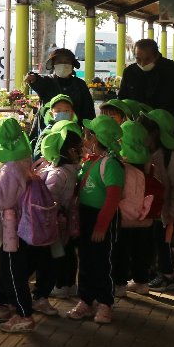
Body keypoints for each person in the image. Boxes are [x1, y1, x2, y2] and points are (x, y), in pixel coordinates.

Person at [0, 117, 42, 332]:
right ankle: (5, 301)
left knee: (13, 271)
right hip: (22, 226)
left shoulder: (10, 168)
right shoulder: (24, 160)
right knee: (11, 268)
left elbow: (3, 200)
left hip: (12, 230)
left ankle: (23, 314)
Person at [67, 116, 125, 324]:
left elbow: (113, 198)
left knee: (103, 261)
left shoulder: (111, 165)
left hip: (103, 218)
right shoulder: (90, 161)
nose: (85, 140)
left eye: (88, 136)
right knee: (85, 259)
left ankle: (105, 302)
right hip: (86, 216)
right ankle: (86, 300)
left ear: (96, 139)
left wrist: (101, 226)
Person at [33, 121, 83, 314]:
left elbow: (48, 199)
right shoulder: (73, 169)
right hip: (65, 221)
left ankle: (52, 289)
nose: (80, 151)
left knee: (51, 258)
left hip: (53, 223)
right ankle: (67, 284)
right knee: (66, 253)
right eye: (77, 148)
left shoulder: (58, 173)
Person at [141, 109, 174, 292]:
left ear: (155, 133)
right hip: (154, 212)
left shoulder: (172, 157)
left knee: (163, 244)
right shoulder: (149, 153)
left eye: (144, 130)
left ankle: (168, 276)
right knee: (155, 242)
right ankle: (157, 271)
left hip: (166, 214)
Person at [112, 121, 157, 298]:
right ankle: (142, 282)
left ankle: (119, 285)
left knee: (120, 252)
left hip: (123, 218)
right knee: (141, 251)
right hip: (145, 217)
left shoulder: (120, 162)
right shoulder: (149, 160)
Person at [119, 39, 174, 140]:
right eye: (138, 59)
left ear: (156, 55)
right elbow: (122, 99)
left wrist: (165, 125)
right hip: (138, 132)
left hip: (171, 132)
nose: (142, 64)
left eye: (147, 59)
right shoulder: (130, 72)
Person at [25, 48, 96, 124]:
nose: (63, 64)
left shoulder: (80, 84)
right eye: (59, 62)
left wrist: (88, 127)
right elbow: (38, 81)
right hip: (47, 128)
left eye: (66, 62)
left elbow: (88, 110)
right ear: (53, 65)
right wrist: (33, 78)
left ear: (72, 65)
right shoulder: (47, 81)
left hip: (74, 128)